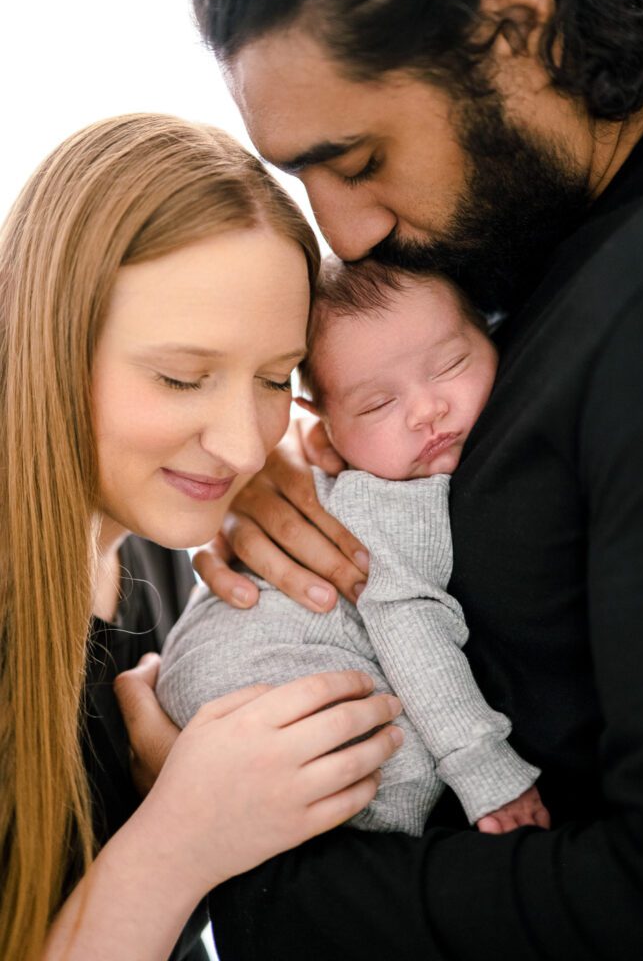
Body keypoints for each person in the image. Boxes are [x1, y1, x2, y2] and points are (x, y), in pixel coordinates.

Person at [143, 0, 643, 958]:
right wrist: (295, 464)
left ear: (513, 26)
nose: (343, 232)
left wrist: (242, 876)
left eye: (357, 161)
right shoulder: (547, 250)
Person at [0, 112, 404, 961]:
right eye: (181, 378)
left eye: (272, 379)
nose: (240, 443)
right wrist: (182, 837)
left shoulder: (168, 554)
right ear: (49, 344)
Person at [157, 258, 550, 836]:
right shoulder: (387, 502)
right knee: (405, 757)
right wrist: (489, 771)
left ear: (494, 334)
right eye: (375, 405)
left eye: (450, 365)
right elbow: (413, 635)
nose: (425, 410)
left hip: (210, 682)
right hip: (262, 683)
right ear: (323, 431)